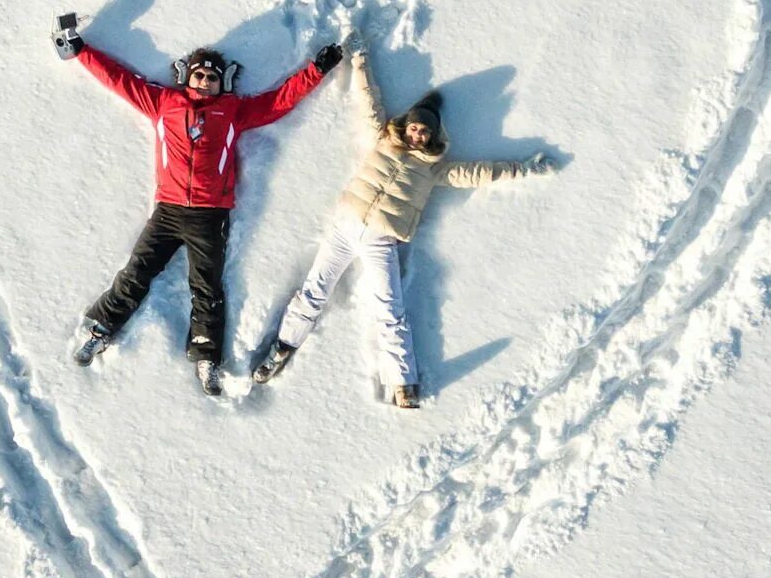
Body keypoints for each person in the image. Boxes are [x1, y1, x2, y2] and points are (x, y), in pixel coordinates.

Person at [252, 47, 557, 408]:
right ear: (405, 125)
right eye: (414, 126)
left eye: (423, 131)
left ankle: (402, 384)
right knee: (314, 291)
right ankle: (282, 348)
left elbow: (476, 172)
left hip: (381, 239)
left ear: (431, 137)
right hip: (346, 226)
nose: (417, 134)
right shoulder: (383, 140)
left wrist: (523, 169)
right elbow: (368, 102)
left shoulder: (433, 169)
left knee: (389, 310)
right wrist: (361, 62)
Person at [58, 20, 342, 396]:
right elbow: (118, 79)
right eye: (199, 75)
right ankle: (101, 331)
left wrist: (316, 70)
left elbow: (278, 102)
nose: (205, 81)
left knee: (206, 288)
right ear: (186, 78)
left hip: (210, 215)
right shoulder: (163, 103)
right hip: (168, 211)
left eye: (211, 76)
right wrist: (79, 50)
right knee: (136, 273)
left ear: (221, 82)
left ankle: (207, 357)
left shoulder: (233, 111)